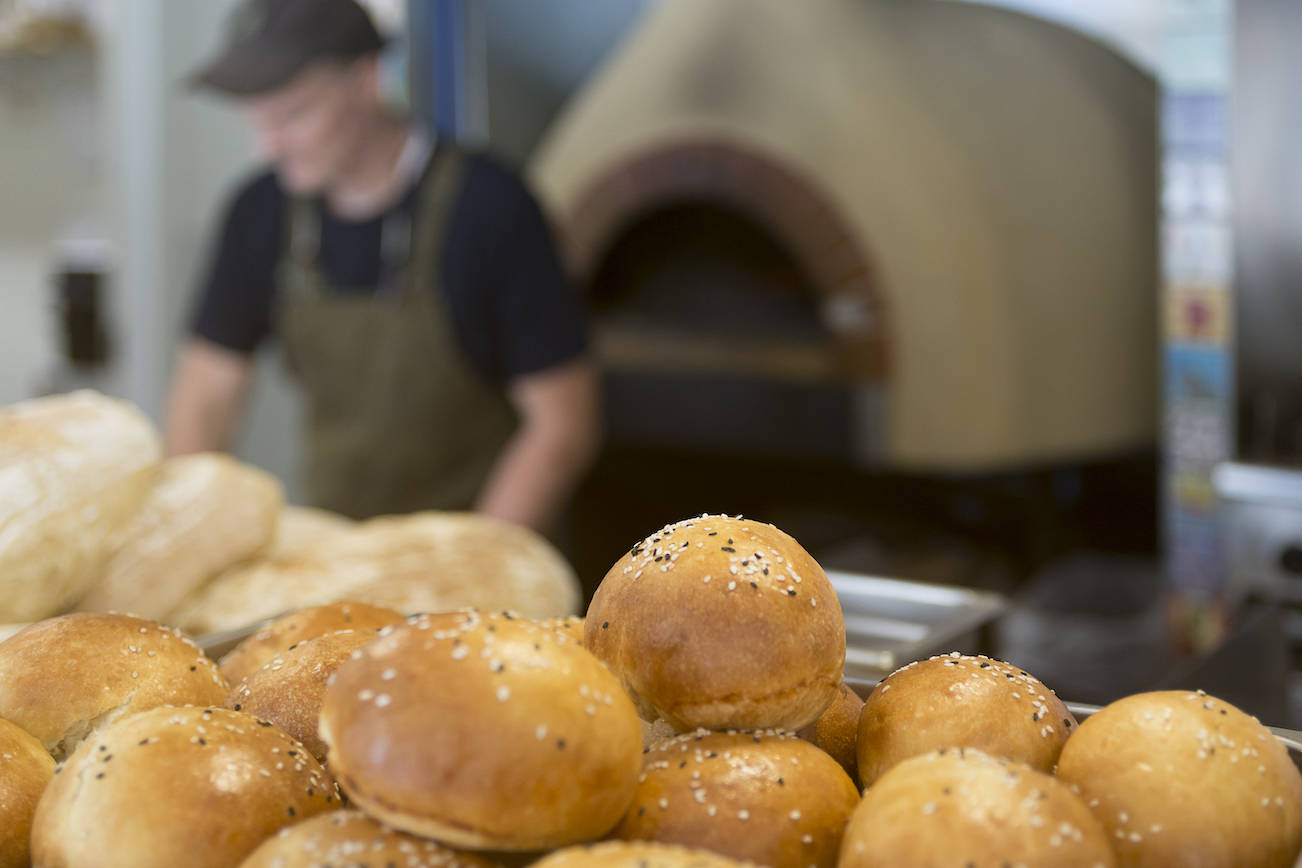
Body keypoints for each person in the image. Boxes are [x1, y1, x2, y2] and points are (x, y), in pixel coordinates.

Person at [166, 0, 600, 533]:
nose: (268, 147)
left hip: (479, 548)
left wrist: (475, 570)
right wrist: (181, 537)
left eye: (294, 115)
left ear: (366, 80)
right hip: (339, 554)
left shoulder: (492, 209)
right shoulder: (258, 213)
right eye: (257, 121)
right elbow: (206, 398)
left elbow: (562, 425)